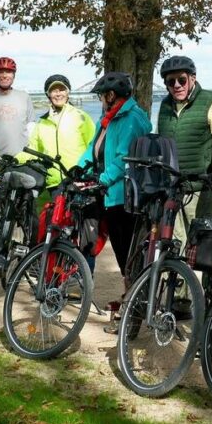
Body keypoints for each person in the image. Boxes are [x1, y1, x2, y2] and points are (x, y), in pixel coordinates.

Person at [77, 71, 151, 312]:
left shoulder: (131, 119)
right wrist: (78, 170)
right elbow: (93, 148)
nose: (100, 100)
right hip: (109, 193)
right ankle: (131, 297)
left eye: (101, 96)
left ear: (111, 95)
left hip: (126, 195)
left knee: (127, 252)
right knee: (120, 251)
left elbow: (123, 158)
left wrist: (104, 179)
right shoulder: (108, 119)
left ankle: (135, 303)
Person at [157, 55, 212, 248]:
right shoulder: (164, 106)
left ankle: (204, 280)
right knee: (176, 246)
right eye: (171, 82)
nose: (177, 85)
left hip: (201, 190)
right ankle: (178, 279)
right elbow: (162, 145)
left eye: (182, 79)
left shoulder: (210, 102)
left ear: (192, 79)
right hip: (173, 190)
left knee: (203, 248)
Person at [25, 74, 95, 190]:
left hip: (79, 180)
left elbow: (93, 146)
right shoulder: (42, 123)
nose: (58, 94)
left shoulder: (81, 117)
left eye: (62, 90)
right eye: (54, 91)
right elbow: (32, 150)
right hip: (53, 183)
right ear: (48, 94)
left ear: (68, 93)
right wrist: (15, 159)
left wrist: (87, 173)